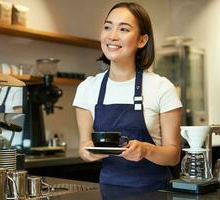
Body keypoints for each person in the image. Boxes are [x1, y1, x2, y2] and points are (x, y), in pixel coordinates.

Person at [73, 2, 182, 190]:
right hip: (108, 190)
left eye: (123, 29)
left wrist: (146, 150)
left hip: (155, 192)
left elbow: (173, 156)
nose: (112, 36)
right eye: (108, 27)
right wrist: (86, 152)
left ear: (142, 40)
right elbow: (85, 145)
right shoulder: (87, 88)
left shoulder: (162, 87)